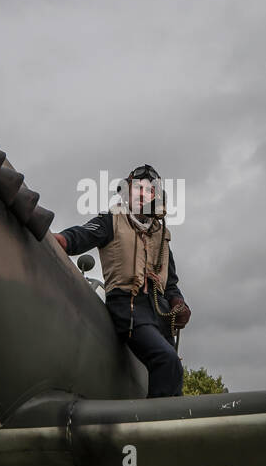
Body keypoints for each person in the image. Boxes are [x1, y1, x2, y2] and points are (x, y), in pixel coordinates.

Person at [54, 165, 190, 397]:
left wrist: (178, 302)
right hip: (129, 308)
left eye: (149, 190)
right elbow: (81, 235)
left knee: (174, 371)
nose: (142, 194)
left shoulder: (161, 235)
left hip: (159, 313)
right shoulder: (112, 221)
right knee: (165, 360)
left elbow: (171, 284)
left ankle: (170, 426)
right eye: (137, 188)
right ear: (127, 193)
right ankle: (153, 429)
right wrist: (57, 239)